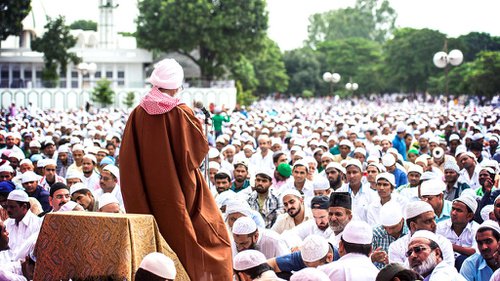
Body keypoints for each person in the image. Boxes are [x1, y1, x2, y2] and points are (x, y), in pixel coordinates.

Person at [120, 58, 231, 280]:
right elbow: (195, 155)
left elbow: (127, 159)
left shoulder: (137, 113)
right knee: (208, 240)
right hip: (177, 191)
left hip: (146, 195)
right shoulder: (180, 112)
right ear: (177, 84)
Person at [436, 194, 479, 270]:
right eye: (453, 209)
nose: (453, 213)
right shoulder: (440, 227)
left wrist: (448, 245)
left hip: (468, 268)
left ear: (469, 216)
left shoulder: (477, 229)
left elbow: (475, 252)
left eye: (459, 210)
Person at [371, 203, 409, 269]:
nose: (389, 231)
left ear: (402, 221)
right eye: (385, 228)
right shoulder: (375, 233)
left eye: (393, 228)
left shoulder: (410, 232)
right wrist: (372, 258)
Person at [4, 190, 42, 254]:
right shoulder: (6, 224)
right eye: (7, 207)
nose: (8, 210)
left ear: (24, 206)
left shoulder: (38, 224)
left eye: (12, 207)